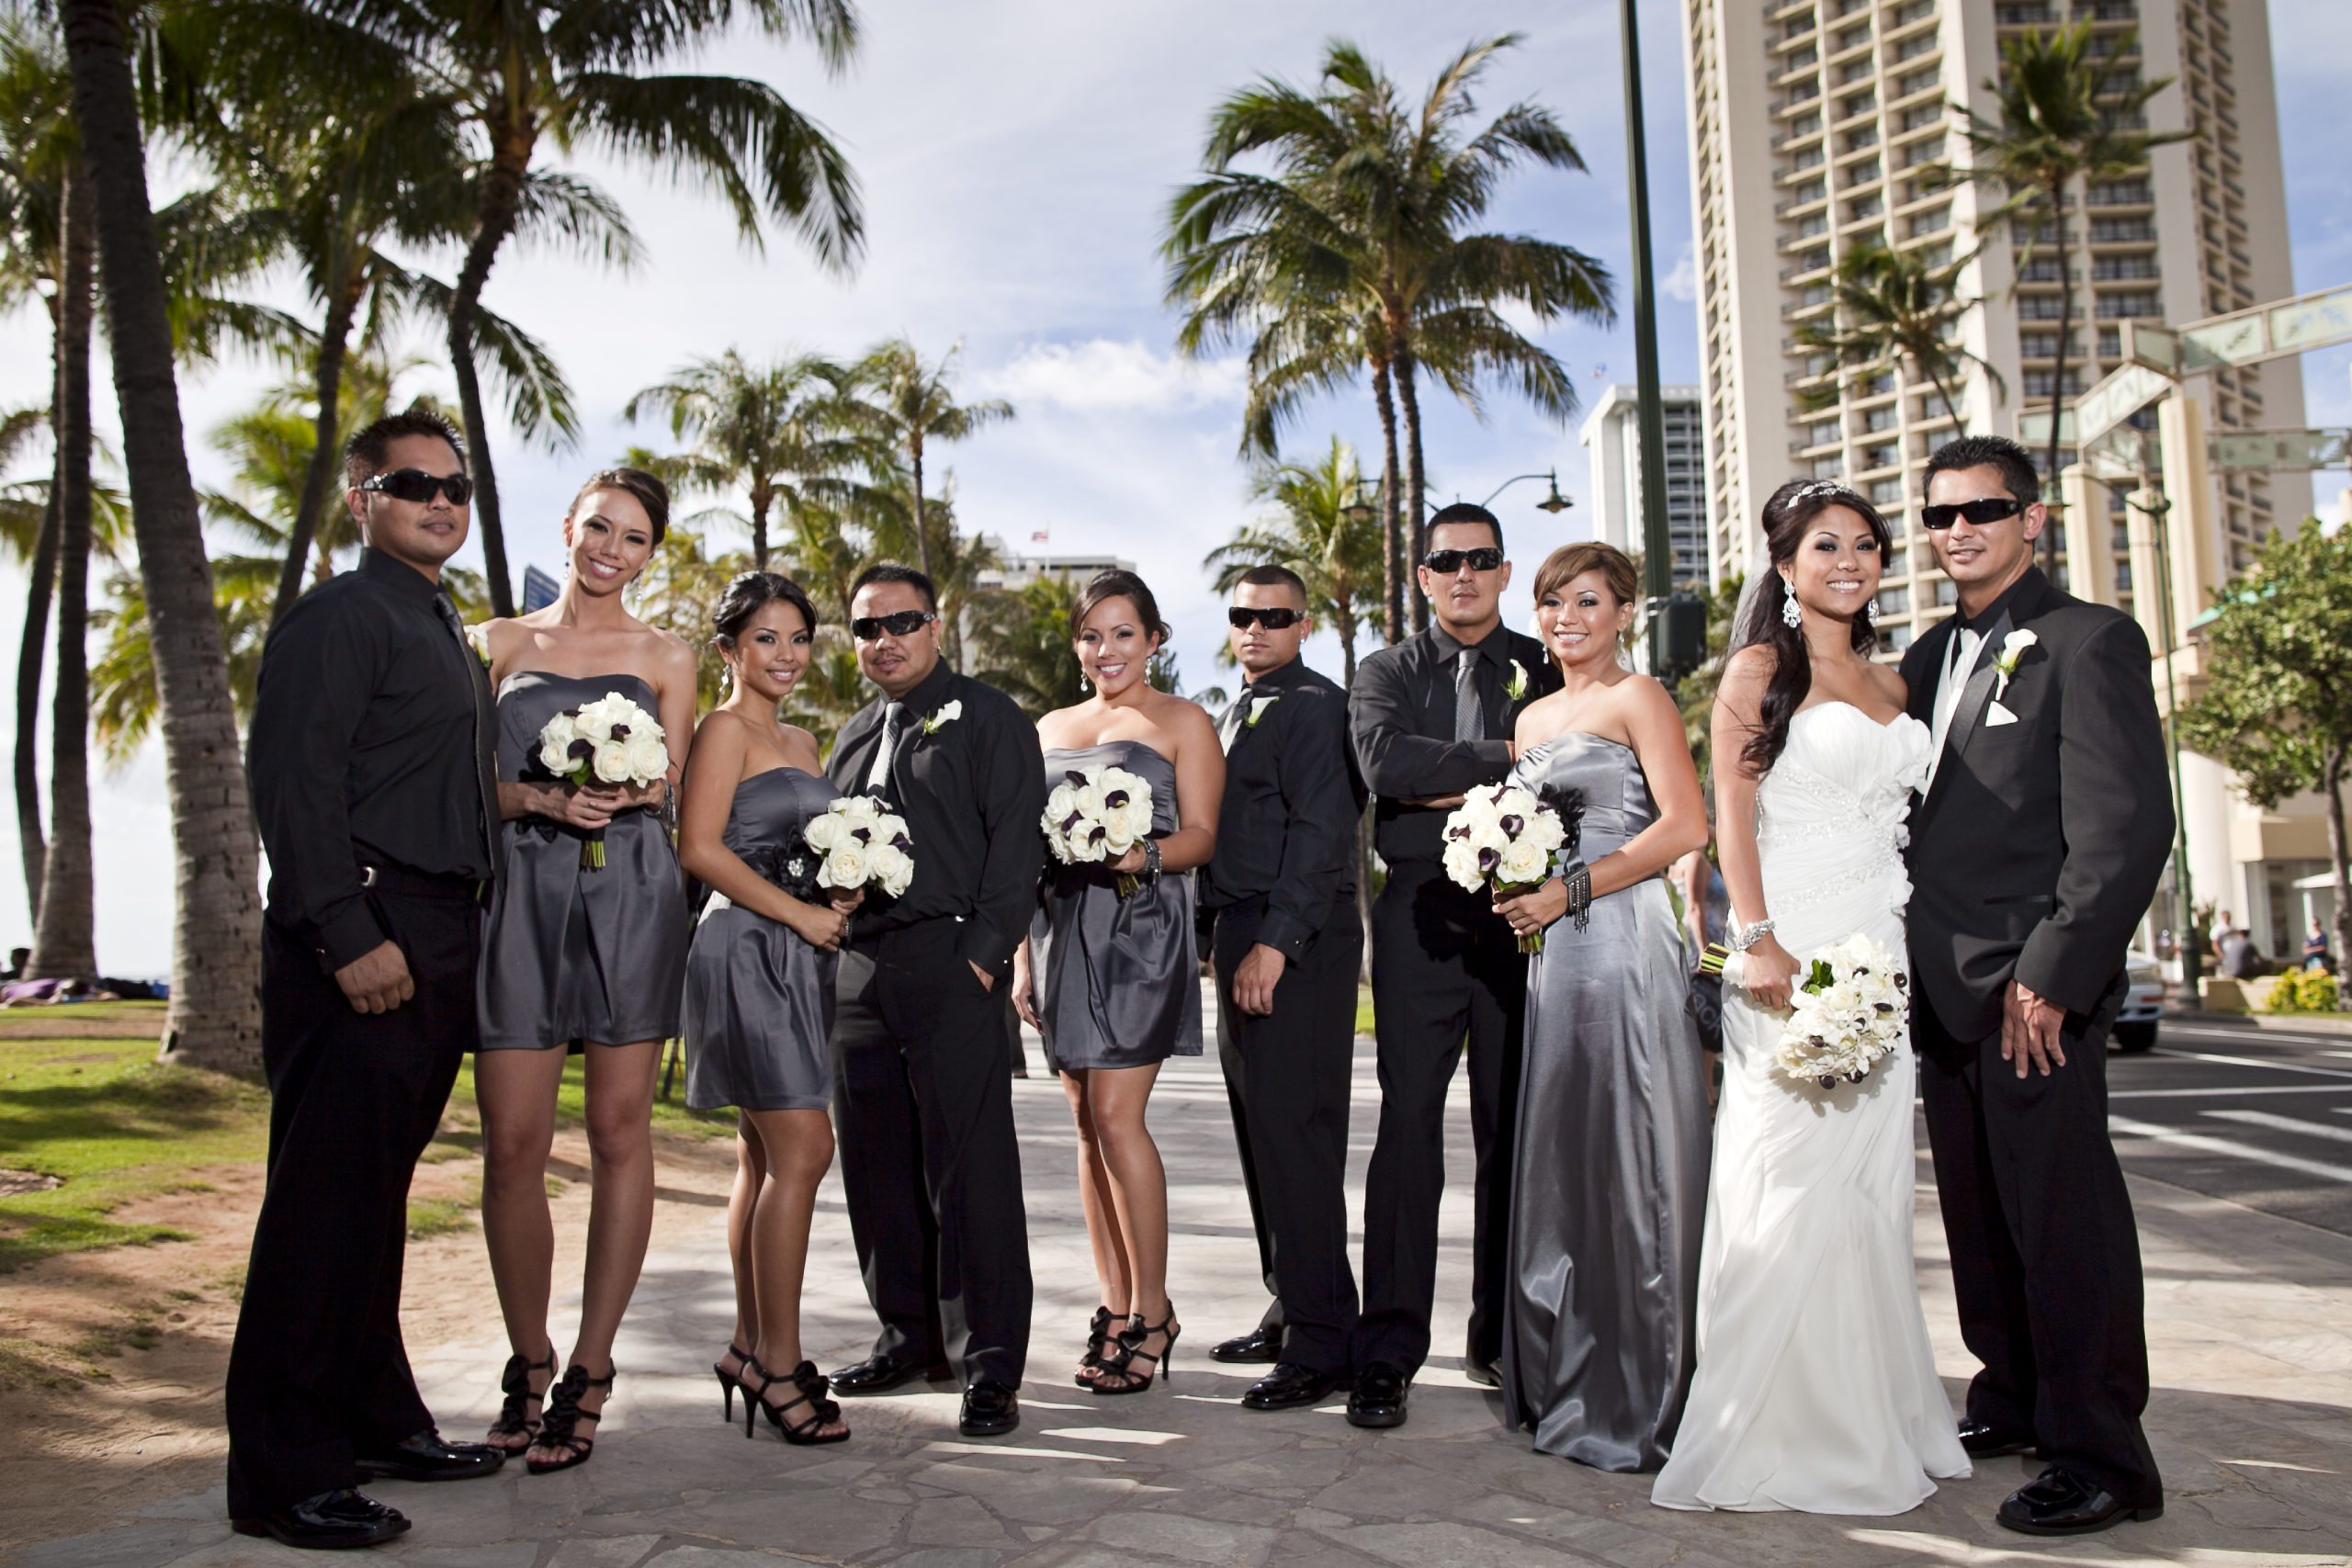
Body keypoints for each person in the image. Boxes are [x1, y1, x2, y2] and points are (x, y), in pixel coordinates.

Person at [1652, 479, 1971, 1513]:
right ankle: (1776, 1424)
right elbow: (1730, 811)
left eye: (1867, 545)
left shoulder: (1893, 680)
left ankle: (1874, 1412)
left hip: (1883, 942)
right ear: (1786, 567)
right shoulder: (1759, 669)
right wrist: (1753, 939)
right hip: (1787, 951)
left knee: (1868, 1190)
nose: (1850, 561)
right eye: (1826, 545)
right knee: (1786, 1178)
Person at [229, 409, 505, 1550]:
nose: (440, 501)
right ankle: (283, 1476)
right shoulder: (340, 615)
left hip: (434, 929)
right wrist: (347, 931)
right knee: (321, 1209)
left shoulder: (436, 626)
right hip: (365, 932)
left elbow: (429, 782)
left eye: (455, 487)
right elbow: (294, 783)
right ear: (362, 500)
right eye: (413, 484)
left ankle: (377, 1421)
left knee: (370, 1201)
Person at [1901, 434, 2173, 1538]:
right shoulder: (1926, 654)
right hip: (1938, 987)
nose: (1959, 528)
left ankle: (2101, 1454)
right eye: (1940, 514)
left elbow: (2122, 830)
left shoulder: (2088, 639)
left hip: (2031, 993)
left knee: (2065, 1223)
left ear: (2032, 519)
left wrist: (2053, 974)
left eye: (1982, 508)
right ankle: (2010, 1396)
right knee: (1978, 1217)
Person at [469, 468, 696, 1474]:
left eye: (634, 537)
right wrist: (536, 799)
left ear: (651, 555)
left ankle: (590, 1369)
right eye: (599, 526)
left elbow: (671, 782)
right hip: (519, 891)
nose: (612, 549)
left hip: (630, 892)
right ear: (568, 526)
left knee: (616, 1130)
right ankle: (527, 1359)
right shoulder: (495, 643)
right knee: (513, 1142)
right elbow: (459, 781)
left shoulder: (667, 655)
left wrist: (626, 787)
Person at [1489, 541, 1711, 1471]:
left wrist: (1567, 891)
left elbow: (1685, 824)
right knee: (1566, 1151)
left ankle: (1642, 1387)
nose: (1566, 617)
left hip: (1621, 940)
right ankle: (1565, 1373)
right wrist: (1508, 874)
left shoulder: (1639, 697)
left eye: (1587, 600)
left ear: (1624, 612)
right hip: (1553, 954)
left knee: (1632, 1147)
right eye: (1552, 602)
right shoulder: (1530, 717)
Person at [1345, 502, 1561, 1428]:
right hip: (1419, 915)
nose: (1463, 574)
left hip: (1524, 919)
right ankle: (1389, 1350)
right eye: (1446, 561)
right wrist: (1506, 758)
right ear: (1424, 576)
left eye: (1481, 559)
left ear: (1505, 572)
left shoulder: (1547, 665)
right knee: (1409, 1130)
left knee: (1513, 1130)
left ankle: (1502, 1338)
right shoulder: (1387, 671)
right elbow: (1385, 767)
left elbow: (1572, 773)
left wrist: (1449, 775)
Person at [824, 564, 1046, 1439]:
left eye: (901, 622)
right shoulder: (851, 736)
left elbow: (1018, 842)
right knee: (874, 1161)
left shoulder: (988, 716)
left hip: (953, 960)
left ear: (935, 626)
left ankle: (989, 1363)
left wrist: (984, 960)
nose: (884, 640)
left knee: (971, 1170)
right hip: (860, 969)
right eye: (866, 628)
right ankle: (908, 1337)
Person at [1012, 570, 1222, 1396]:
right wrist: (1023, 956)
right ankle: (1115, 1303)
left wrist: (1144, 853)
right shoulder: (1048, 728)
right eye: (1092, 635)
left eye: (1124, 633)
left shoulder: (1183, 720)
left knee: (1114, 1115)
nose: (1107, 649)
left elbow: (1203, 835)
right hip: (1060, 929)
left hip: (1140, 929)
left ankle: (1155, 1311)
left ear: (1154, 639)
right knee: (1084, 1125)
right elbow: (1025, 852)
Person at [677, 572, 856, 1446]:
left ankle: (749, 1348)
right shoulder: (722, 730)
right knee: (805, 1146)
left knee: (761, 1154)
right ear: (729, 649)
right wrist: (800, 913)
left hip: (800, 953)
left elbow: (810, 845)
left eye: (798, 638)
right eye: (765, 639)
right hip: (747, 947)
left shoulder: (805, 739)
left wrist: (842, 888)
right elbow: (699, 848)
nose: (786, 655)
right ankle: (781, 1365)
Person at [1197, 566, 1366, 1411]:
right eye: (1242, 615)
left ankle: (1324, 1338)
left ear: (1304, 625)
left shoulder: (1317, 705)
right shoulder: (1237, 708)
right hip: (1243, 930)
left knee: (1296, 1133)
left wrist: (1275, 942)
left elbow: (1320, 831)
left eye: (1273, 616)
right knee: (1262, 1129)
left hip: (1294, 936)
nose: (1255, 628)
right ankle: (1292, 1300)